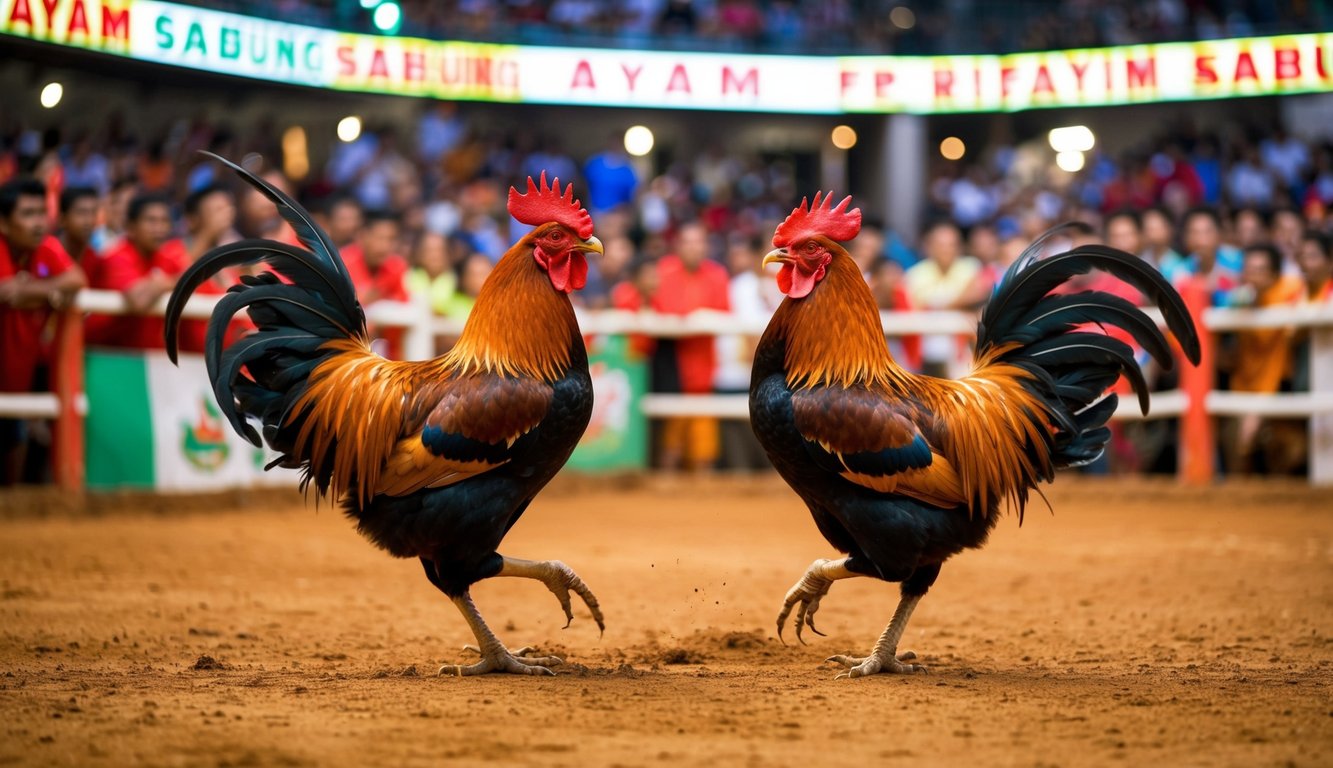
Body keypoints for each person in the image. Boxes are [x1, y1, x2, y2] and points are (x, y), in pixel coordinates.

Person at [0, 178, 86, 485]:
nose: (38, 223)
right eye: (27, 214)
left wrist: (33, 290)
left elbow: (76, 278)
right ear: (4, 224)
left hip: (20, 370)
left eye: (41, 213)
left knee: (14, 440)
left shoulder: (46, 247)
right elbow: (5, 291)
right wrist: (47, 291)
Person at [653, 222, 729, 471]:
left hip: (703, 368)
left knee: (703, 448)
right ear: (678, 245)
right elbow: (661, 309)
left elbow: (723, 314)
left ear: (706, 246)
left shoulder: (717, 275)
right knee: (670, 444)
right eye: (688, 242)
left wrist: (692, 318)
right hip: (670, 366)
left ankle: (705, 503)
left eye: (699, 242)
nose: (694, 248)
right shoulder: (664, 272)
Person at [1225, 243, 1302, 472]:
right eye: (1249, 270)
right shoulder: (1238, 299)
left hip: (1277, 382)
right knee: (1237, 448)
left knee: (1285, 450)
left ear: (1275, 274)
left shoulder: (1289, 291)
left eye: (1261, 270)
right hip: (1242, 384)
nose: (1254, 276)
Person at [85, 193, 187, 350]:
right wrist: (168, 283)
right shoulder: (115, 256)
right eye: (151, 221)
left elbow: (196, 279)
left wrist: (162, 283)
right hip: (103, 353)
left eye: (164, 221)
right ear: (131, 227)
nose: (159, 228)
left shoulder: (166, 255)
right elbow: (138, 301)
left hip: (143, 357)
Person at [714, 233, 774, 471]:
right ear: (757, 254)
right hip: (739, 373)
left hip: (766, 374)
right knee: (741, 453)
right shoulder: (742, 286)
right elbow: (749, 338)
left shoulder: (779, 286)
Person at [905, 221, 980, 377]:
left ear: (960, 247)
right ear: (929, 247)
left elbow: (979, 296)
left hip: (964, 350)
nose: (946, 250)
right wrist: (959, 303)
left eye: (951, 245)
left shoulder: (972, 267)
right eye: (940, 244)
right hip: (923, 352)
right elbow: (914, 309)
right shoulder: (915, 274)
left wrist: (936, 305)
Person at [178, 185, 245, 354]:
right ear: (193, 219)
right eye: (217, 209)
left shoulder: (232, 267)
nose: (227, 214)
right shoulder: (175, 250)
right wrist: (207, 232)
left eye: (229, 207)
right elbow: (179, 275)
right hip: (186, 366)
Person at [1165, 207, 1243, 307]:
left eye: (1207, 232)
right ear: (1185, 238)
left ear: (1220, 234)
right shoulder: (1180, 271)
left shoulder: (1238, 261)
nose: (1201, 240)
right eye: (1194, 233)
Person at [57, 186, 100, 270]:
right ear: (62, 219)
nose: (89, 220)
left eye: (93, 213)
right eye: (81, 213)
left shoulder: (96, 258)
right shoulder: (49, 253)